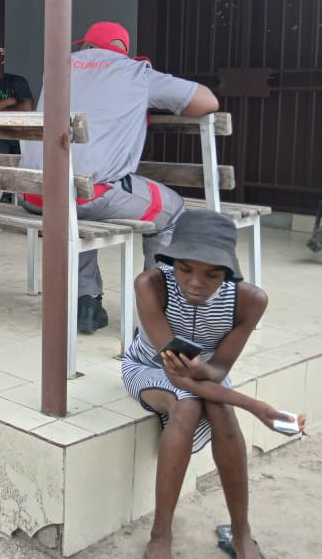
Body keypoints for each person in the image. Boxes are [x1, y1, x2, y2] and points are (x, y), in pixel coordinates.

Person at [121, 210, 304, 559]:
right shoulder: (151, 285)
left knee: (219, 408)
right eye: (185, 268)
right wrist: (257, 407)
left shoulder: (249, 301)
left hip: (206, 374)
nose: (195, 282)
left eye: (212, 274)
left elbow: (219, 371)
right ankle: (161, 534)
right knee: (187, 405)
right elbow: (175, 374)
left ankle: (241, 532)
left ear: (228, 272)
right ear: (172, 261)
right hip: (149, 368)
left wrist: (204, 368)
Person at [20, 21, 220, 334]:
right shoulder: (136, 73)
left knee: (76, 200)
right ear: (123, 52)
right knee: (174, 212)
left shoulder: (57, 70)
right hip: (87, 195)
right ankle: (159, 313)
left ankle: (86, 301)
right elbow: (208, 102)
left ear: (87, 46)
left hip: (33, 194)